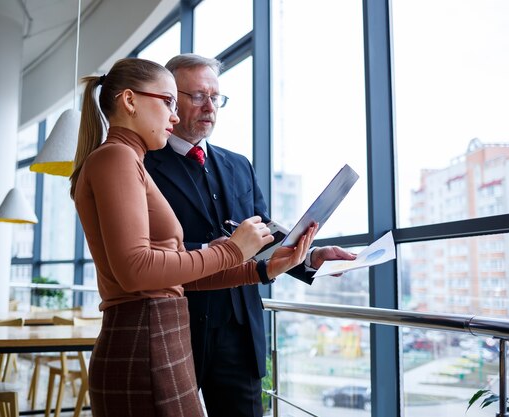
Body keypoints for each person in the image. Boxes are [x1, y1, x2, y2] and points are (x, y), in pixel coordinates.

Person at [70, 57, 317, 417]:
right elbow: (137, 270)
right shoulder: (118, 159)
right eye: (168, 102)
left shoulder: (126, 159)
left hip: (159, 338)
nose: (173, 116)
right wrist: (233, 251)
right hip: (146, 340)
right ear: (130, 100)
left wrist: (260, 270)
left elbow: (172, 278)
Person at [144, 53, 357, 417]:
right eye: (197, 96)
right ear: (170, 99)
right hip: (176, 324)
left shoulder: (239, 164)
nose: (209, 106)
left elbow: (264, 237)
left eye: (216, 97)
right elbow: (149, 247)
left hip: (240, 331)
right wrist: (218, 250)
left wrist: (310, 257)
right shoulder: (145, 162)